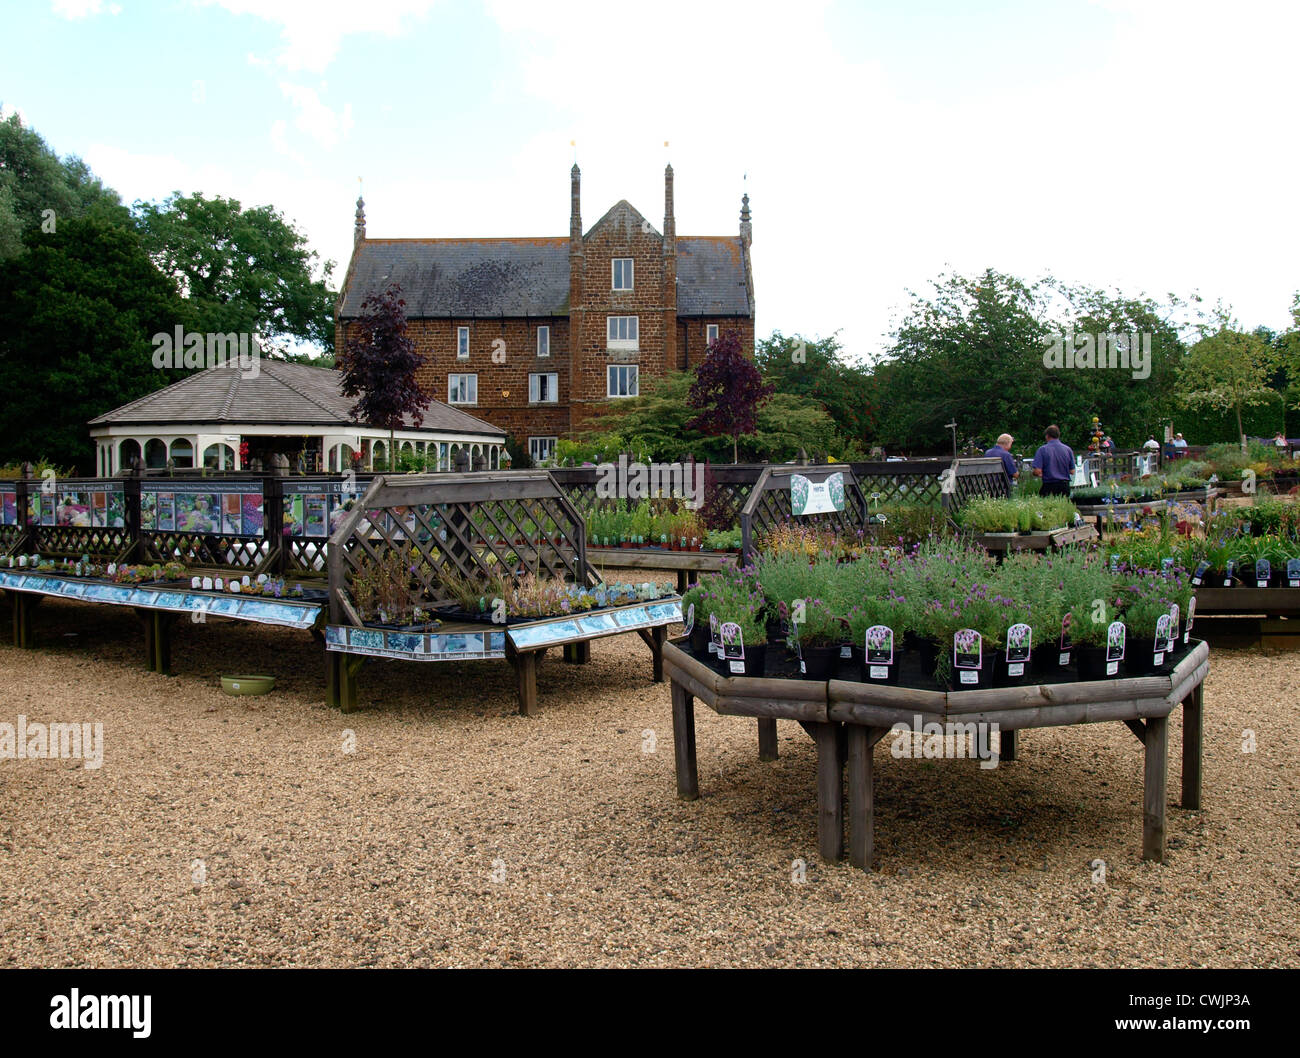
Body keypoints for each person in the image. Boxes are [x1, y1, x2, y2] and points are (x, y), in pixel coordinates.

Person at [1032, 425, 1075, 497]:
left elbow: (1037, 471)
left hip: (1049, 485)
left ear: (1047, 436)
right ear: (1058, 435)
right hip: (1064, 486)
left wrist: (1034, 473)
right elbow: (1072, 471)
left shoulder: (1042, 450)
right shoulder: (1068, 449)